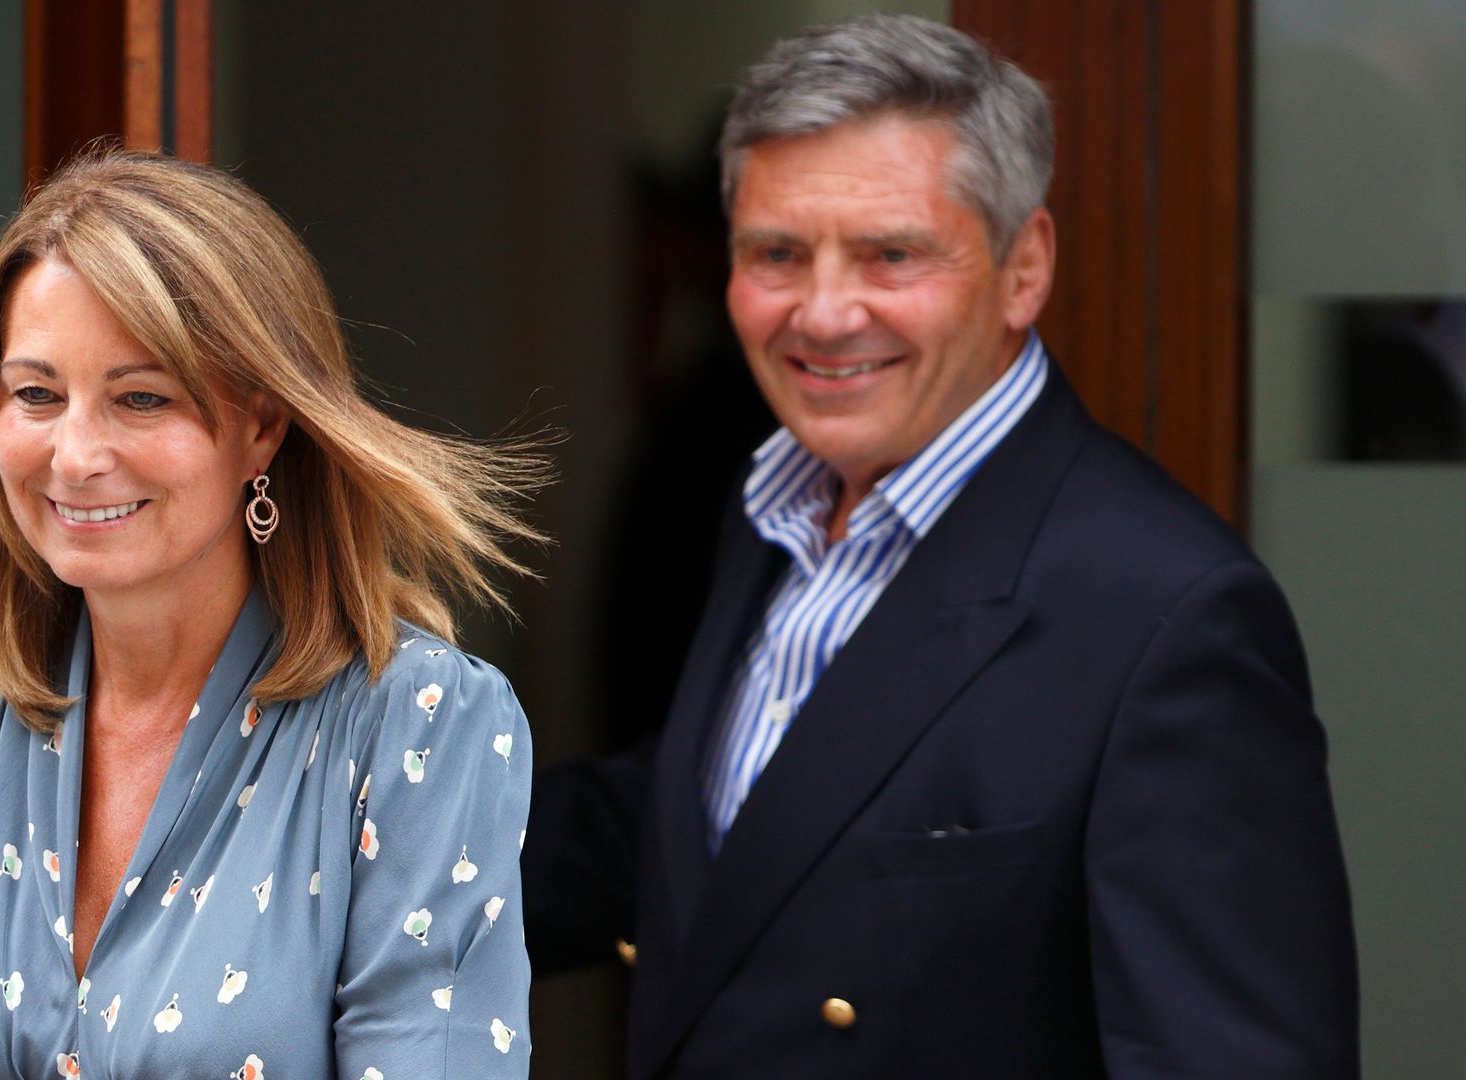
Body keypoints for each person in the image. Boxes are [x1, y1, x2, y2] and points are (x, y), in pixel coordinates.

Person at [522, 15, 1359, 1078]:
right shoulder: (777, 505)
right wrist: (352, 837)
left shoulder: (1168, 614)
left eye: (892, 255)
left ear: (1024, 268)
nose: (825, 314)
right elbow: (739, 828)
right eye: (778, 254)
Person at [0, 151, 544, 1078]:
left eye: (142, 398)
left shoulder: (417, 727)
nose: (75, 455)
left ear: (263, 426)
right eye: (37, 395)